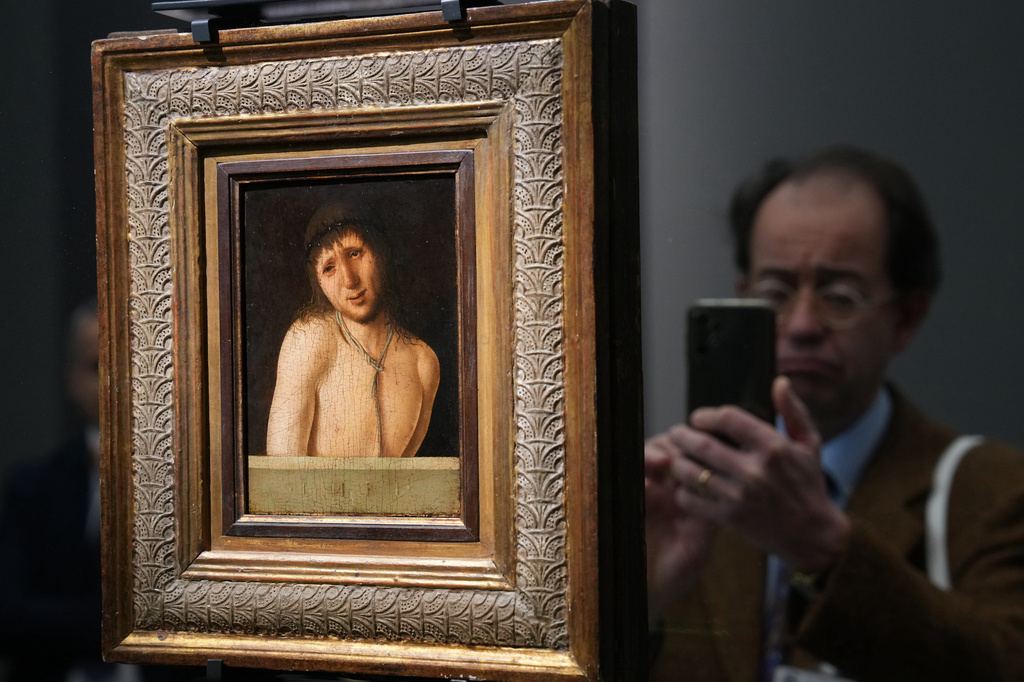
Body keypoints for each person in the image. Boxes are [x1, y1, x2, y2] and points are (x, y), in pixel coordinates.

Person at [646, 146, 1024, 681]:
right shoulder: (691, 490)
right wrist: (633, 602)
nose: (801, 324)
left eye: (840, 296)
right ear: (743, 296)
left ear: (906, 317)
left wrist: (825, 548)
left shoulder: (991, 492)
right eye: (775, 292)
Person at [266, 202, 440, 458]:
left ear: (379, 254)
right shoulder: (309, 338)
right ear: (320, 284)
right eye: (329, 268)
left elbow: (400, 484)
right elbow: (280, 476)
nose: (349, 280)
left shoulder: (423, 363)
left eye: (354, 254)